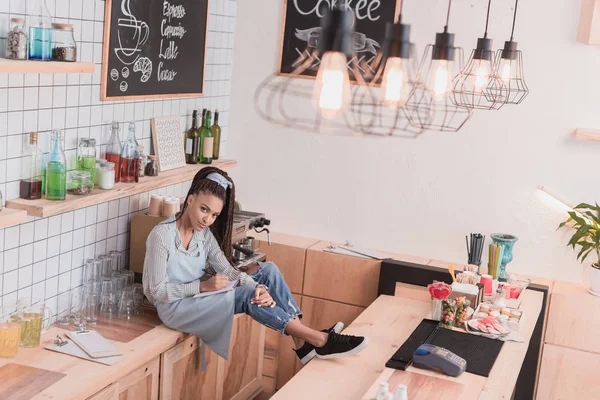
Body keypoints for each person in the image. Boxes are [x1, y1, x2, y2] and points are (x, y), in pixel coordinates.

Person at [143, 167, 369, 368]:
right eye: (204, 210)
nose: (208, 219)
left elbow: (230, 271)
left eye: (214, 215)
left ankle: (303, 341)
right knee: (246, 296)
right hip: (174, 307)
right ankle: (319, 340)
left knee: (267, 270)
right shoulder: (162, 235)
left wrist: (259, 287)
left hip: (199, 297)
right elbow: (156, 291)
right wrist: (202, 287)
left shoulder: (203, 235)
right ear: (189, 200)